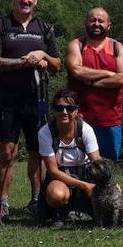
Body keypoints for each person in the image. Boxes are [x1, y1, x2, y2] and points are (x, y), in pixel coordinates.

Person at [0, 0, 62, 220]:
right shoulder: (0, 26)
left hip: (36, 99)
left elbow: (58, 64)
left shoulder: (45, 28)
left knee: (37, 151)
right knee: (7, 152)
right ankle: (3, 204)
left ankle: (36, 201)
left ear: (36, 0)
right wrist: (24, 61)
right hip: (6, 99)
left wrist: (43, 56)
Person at [66, 7, 123, 162]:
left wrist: (89, 81)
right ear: (86, 23)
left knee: (107, 167)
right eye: (92, 20)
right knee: (78, 164)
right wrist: (108, 73)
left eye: (101, 21)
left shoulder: (118, 48)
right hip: (79, 118)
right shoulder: (76, 45)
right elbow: (75, 70)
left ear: (108, 25)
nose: (96, 23)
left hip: (110, 120)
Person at [35, 88, 102, 223]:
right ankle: (58, 212)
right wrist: (84, 186)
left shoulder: (86, 130)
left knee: (108, 193)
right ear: (54, 110)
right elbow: (53, 172)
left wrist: (110, 184)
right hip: (60, 176)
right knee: (56, 195)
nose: (64, 112)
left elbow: (97, 163)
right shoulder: (45, 132)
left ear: (76, 110)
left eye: (69, 108)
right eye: (60, 108)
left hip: (85, 172)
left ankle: (89, 211)